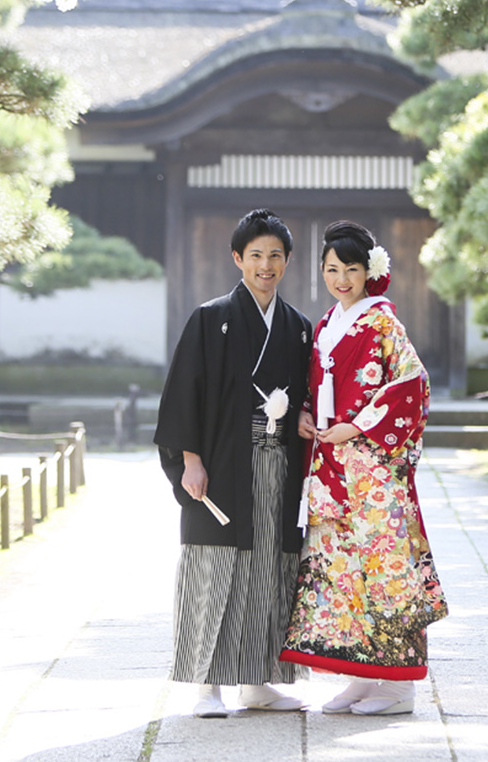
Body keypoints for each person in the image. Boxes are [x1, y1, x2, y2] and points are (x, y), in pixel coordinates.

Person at [280, 220, 447, 716]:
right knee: (341, 569)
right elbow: (314, 388)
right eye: (332, 269)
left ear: (369, 271)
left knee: (385, 566)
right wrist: (306, 414)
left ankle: (398, 686)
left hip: (373, 469)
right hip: (331, 467)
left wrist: (357, 427)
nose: (341, 279)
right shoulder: (328, 323)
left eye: (351, 269)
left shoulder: (383, 323)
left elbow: (412, 385)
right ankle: (358, 674)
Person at [154, 208, 312, 718]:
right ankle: (206, 685)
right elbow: (184, 394)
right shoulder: (210, 318)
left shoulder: (298, 327)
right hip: (222, 464)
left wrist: (306, 417)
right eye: (256, 256)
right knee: (214, 567)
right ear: (237, 259)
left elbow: (308, 394)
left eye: (275, 256)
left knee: (269, 570)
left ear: (288, 261)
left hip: (277, 468)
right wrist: (190, 461)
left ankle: (259, 681)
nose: (266, 265)